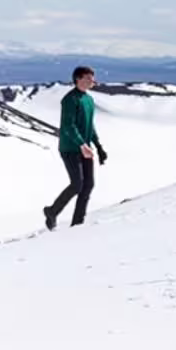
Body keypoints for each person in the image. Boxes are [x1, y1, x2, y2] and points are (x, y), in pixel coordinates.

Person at [44, 65, 107, 230]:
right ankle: (52, 211)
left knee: (88, 185)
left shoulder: (89, 99)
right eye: (88, 78)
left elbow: (89, 125)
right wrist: (81, 144)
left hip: (85, 148)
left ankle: (78, 223)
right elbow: (68, 126)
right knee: (77, 184)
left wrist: (98, 146)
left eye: (92, 78)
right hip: (70, 148)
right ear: (78, 79)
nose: (92, 81)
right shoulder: (70, 99)